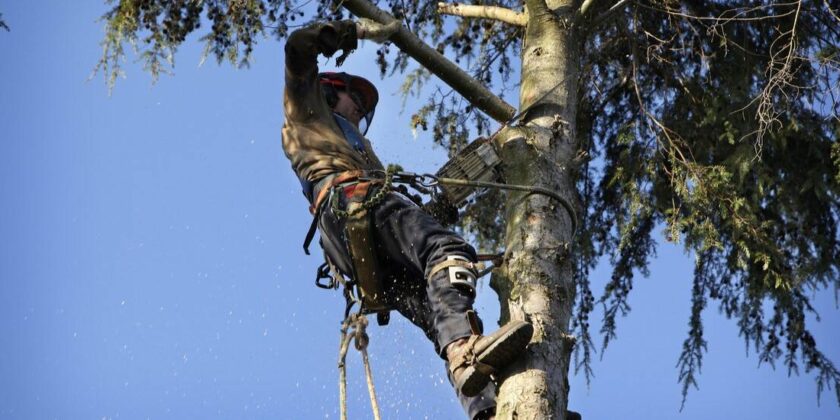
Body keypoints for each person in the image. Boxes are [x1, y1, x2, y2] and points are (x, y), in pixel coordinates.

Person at [281, 19, 533, 420]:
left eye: (363, 108)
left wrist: (443, 205)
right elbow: (298, 46)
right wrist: (357, 32)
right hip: (348, 202)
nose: (360, 109)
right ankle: (465, 350)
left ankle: (486, 407)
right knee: (448, 249)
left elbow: (402, 232)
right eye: (355, 99)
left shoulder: (363, 155)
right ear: (327, 91)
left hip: (359, 249)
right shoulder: (307, 112)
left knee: (440, 314)